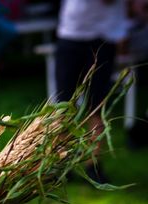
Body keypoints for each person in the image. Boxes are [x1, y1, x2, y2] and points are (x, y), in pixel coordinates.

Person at [55, 0, 128, 180]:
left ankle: (93, 164)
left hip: (104, 37)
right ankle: (60, 163)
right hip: (71, 33)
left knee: (97, 105)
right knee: (64, 105)